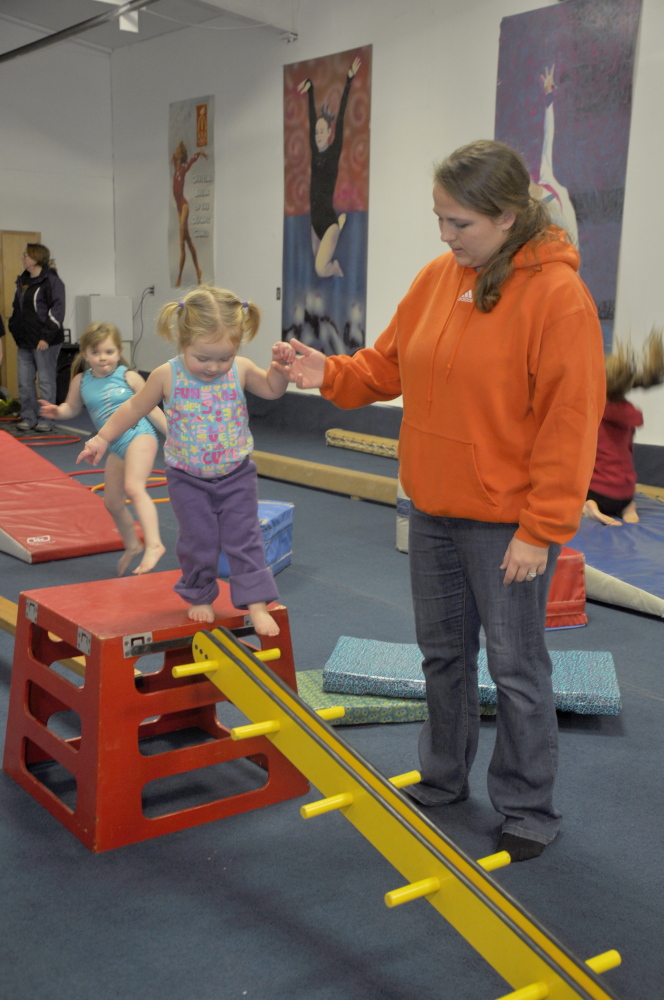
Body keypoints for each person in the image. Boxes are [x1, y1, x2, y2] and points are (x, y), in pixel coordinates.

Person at [285, 140, 605, 862]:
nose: (444, 236)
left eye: (459, 223)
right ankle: (442, 778)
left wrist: (541, 528)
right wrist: (325, 370)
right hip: (431, 506)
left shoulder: (557, 296)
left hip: (506, 524)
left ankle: (527, 806)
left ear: (508, 216)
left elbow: (570, 421)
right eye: (439, 218)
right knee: (442, 657)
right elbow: (387, 365)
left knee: (517, 668)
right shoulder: (437, 276)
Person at [77, 286, 295, 636]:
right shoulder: (167, 374)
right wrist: (102, 437)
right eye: (203, 358)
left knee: (246, 537)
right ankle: (200, 594)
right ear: (181, 340)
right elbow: (134, 408)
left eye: (223, 357)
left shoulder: (239, 369)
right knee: (198, 539)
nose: (213, 367)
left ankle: (256, 604)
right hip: (187, 478)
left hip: (236, 473)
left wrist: (281, 371)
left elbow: (271, 388)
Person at [41, 322, 167, 576]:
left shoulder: (128, 376)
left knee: (134, 486)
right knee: (111, 502)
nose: (102, 358)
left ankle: (155, 544)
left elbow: (150, 407)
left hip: (140, 435)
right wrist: (58, 411)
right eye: (96, 353)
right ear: (85, 354)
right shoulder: (81, 380)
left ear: (119, 352)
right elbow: (72, 408)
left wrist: (173, 433)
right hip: (116, 446)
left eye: (108, 352)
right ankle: (133, 544)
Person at [583, 329, 664, 526]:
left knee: (577, 492)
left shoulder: (595, 410)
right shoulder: (629, 414)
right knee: (621, 489)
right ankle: (628, 508)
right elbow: (627, 450)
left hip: (598, 491)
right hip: (626, 492)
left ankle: (590, 505)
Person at [297, 56, 361, 279]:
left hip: (328, 223)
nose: (319, 135)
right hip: (315, 222)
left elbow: (341, 118)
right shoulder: (315, 151)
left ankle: (335, 261)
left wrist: (348, 80)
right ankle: (331, 254)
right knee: (316, 267)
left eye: (323, 131)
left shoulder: (333, 151)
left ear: (330, 133)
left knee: (321, 269)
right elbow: (311, 116)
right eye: (316, 132)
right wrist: (311, 90)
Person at [8, 243, 66, 433]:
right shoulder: (22, 283)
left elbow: (57, 311)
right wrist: (15, 330)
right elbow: (18, 310)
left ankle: (46, 419)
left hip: (45, 342)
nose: (22, 258)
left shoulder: (52, 281)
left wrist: (46, 337)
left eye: (25, 255)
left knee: (46, 382)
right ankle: (28, 417)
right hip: (24, 341)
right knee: (24, 382)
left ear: (36, 258)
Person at [529, 64, 579, 248]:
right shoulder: (522, 210)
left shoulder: (546, 174)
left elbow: (549, 132)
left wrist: (548, 93)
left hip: (569, 252)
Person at [172, 140, 207, 287]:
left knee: (181, 244)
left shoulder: (183, 168)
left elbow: (191, 160)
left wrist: (199, 153)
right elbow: (173, 156)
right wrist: (179, 147)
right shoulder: (176, 166)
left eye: (178, 152)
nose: (176, 153)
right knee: (188, 242)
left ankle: (179, 277)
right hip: (179, 209)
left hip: (184, 206)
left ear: (181, 155)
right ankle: (198, 271)